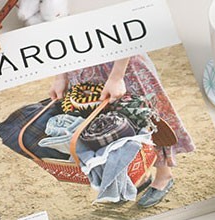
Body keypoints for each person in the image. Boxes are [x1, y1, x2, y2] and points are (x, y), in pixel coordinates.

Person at [49, 55, 195, 207]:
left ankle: (164, 175)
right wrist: (60, 76)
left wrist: (117, 77)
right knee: (107, 130)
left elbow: (124, 42)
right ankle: (139, 176)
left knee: (143, 116)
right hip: (80, 71)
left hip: (119, 65)